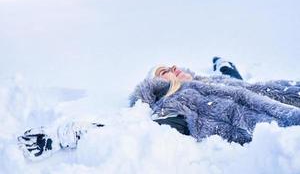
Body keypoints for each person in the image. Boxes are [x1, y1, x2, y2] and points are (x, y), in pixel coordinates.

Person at [18, 57, 300, 161]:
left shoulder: (212, 82)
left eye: (175, 65)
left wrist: (224, 66)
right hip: (270, 123)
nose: (174, 68)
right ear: (156, 82)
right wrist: (65, 135)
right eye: (165, 70)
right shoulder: (175, 103)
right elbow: (132, 132)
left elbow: (241, 85)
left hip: (282, 92)